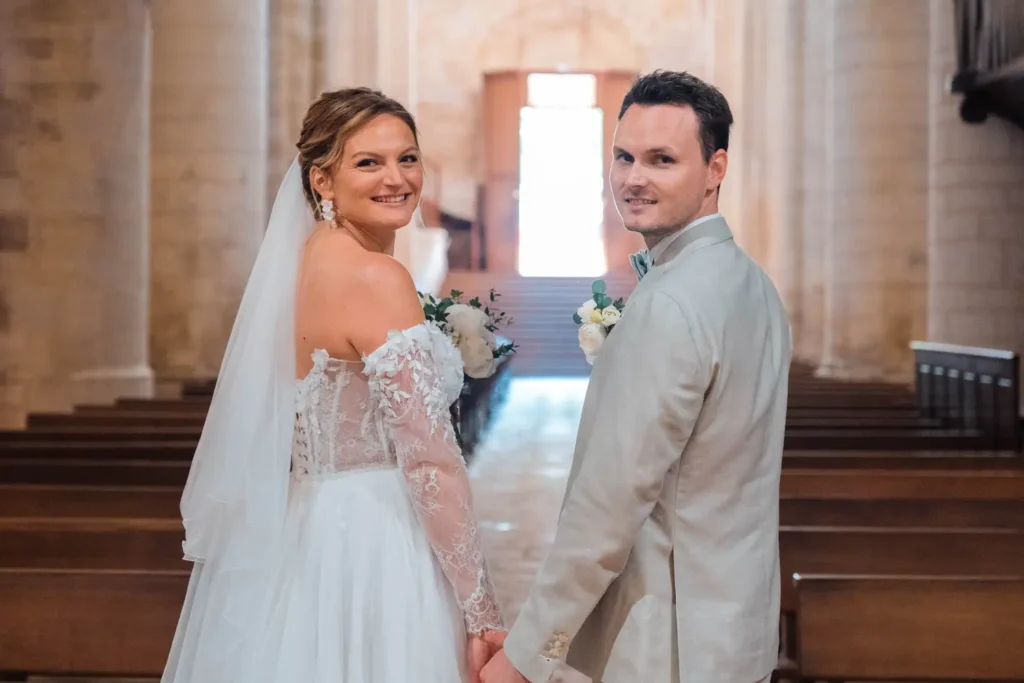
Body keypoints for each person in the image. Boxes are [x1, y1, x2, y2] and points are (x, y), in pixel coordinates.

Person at [161, 87, 507, 683]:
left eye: (407, 157)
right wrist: (481, 610)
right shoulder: (376, 277)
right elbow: (429, 462)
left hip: (304, 531)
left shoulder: (300, 265)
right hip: (376, 541)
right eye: (368, 162)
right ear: (322, 180)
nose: (396, 178)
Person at [481, 70, 793, 683]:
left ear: (715, 167)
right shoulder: (755, 284)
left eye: (661, 159)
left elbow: (607, 509)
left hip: (670, 641)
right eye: (623, 156)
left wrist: (526, 659)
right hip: (737, 633)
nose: (632, 178)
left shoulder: (669, 302)